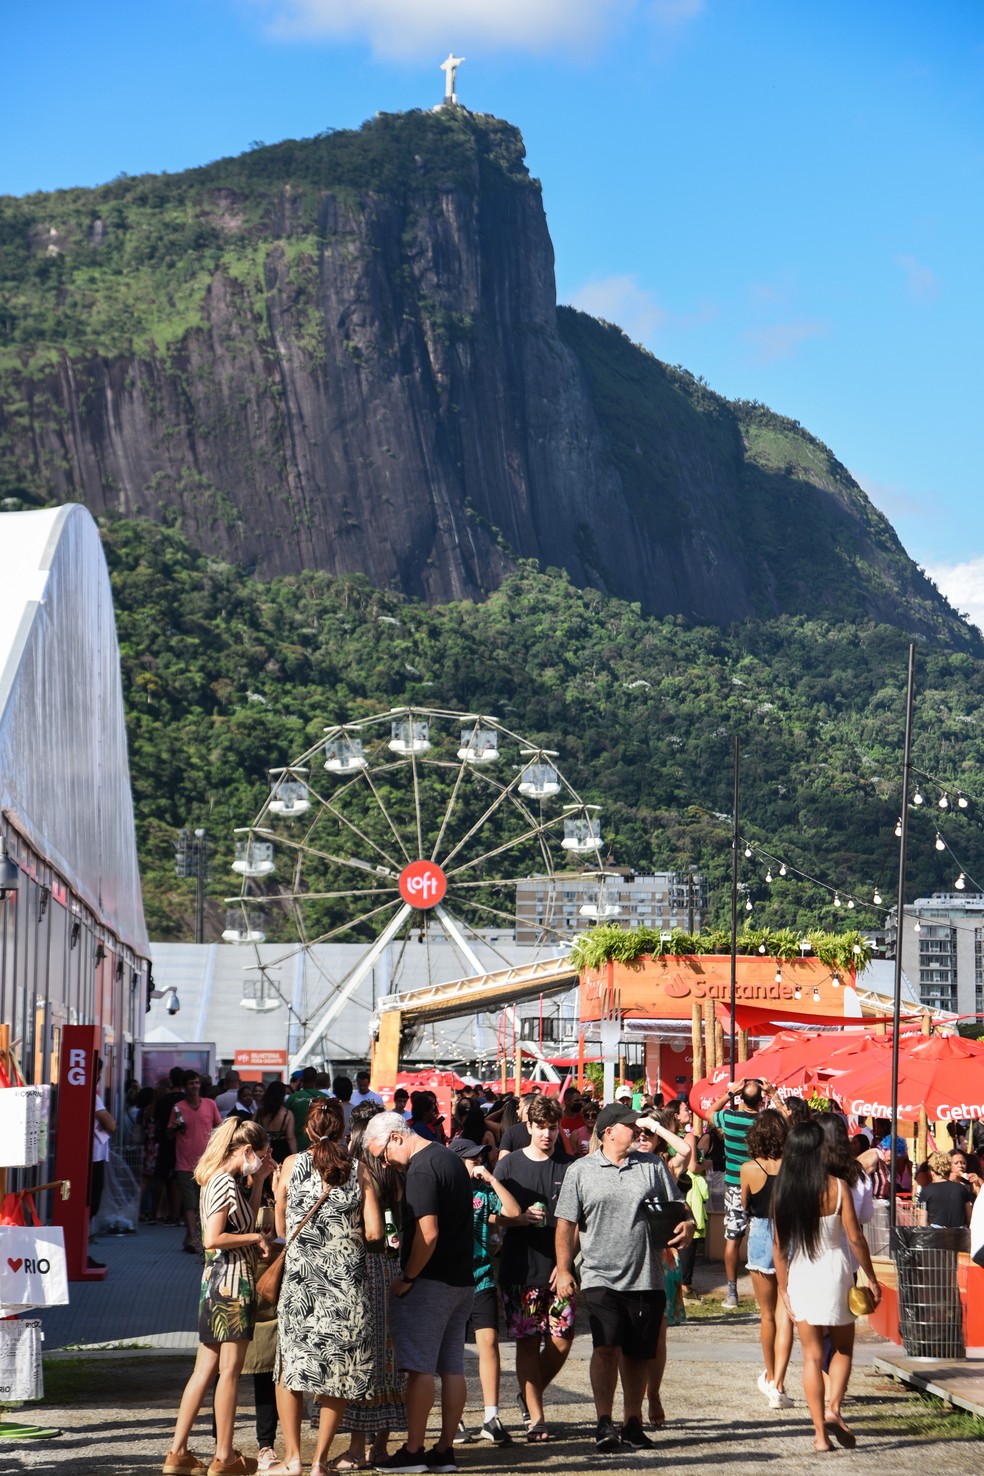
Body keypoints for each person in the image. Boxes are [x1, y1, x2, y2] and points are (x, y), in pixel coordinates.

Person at [555, 1101, 693, 1453]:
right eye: (632, 1126)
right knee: (606, 1348)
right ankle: (603, 1421)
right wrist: (565, 1268)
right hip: (600, 1275)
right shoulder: (581, 1171)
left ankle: (632, 1422)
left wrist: (688, 1225)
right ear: (609, 1132)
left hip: (647, 1275)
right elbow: (566, 1224)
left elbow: (678, 1205)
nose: (639, 1131)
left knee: (637, 1354)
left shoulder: (651, 1166)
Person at [270, 1097, 381, 1476]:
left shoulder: (290, 1165)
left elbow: (281, 1229)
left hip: (301, 1285)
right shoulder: (360, 1171)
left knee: (291, 1370)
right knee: (338, 1372)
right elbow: (375, 1231)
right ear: (342, 1129)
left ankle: (293, 1460)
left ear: (307, 1129)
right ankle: (320, 1462)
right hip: (347, 1288)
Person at [162, 1117, 276, 1476]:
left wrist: (257, 1182)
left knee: (205, 1370)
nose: (260, 1161)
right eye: (258, 1155)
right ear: (244, 1150)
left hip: (214, 1283)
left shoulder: (218, 1179)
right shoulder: (225, 1182)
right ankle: (224, 1457)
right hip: (233, 1284)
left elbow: (241, 1222)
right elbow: (214, 1237)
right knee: (229, 1373)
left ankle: (177, 1452)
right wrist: (254, 1240)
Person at [364, 1110, 475, 1475]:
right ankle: (444, 1450)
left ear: (396, 1137)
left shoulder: (421, 1169)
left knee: (420, 1369)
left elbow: (428, 1233)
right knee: (452, 1368)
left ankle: (413, 1450)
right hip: (461, 1278)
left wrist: (408, 1276)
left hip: (430, 1281)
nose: (384, 1163)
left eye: (381, 1154)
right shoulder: (450, 1159)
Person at [773, 1120, 882, 1454]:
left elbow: (779, 1247)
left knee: (810, 1356)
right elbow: (855, 1237)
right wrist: (871, 1277)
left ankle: (819, 1435)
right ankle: (834, 1406)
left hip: (802, 1272)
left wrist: (783, 1288)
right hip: (836, 1269)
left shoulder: (784, 1190)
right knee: (844, 1348)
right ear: (818, 1149)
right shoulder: (837, 1185)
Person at [492, 1095, 573, 1442]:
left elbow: (577, 1223)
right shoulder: (508, 1168)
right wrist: (518, 1219)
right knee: (527, 1343)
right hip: (520, 1267)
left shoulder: (570, 1167)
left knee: (562, 1341)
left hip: (559, 1269)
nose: (547, 1134)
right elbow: (490, 1216)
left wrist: (567, 1264)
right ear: (528, 1126)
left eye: (553, 1127)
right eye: (541, 1127)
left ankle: (528, 1392)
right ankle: (536, 1417)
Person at [334, 1103, 408, 1470]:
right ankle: (380, 1447)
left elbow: (370, 1231)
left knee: (366, 1361)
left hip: (367, 1269)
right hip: (398, 1268)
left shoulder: (363, 1177)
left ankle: (357, 1448)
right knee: (392, 1363)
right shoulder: (400, 1173)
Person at [449, 1138, 521, 1446]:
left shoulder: (483, 1191)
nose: (479, 1162)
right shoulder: (444, 1190)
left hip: (481, 1278)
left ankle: (491, 1417)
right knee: (451, 1353)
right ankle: (455, 1418)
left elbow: (514, 1211)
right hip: (449, 1281)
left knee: (489, 1343)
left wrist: (492, 1179)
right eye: (472, 1159)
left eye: (481, 1157)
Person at [739, 1109, 793, 1410]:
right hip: (790, 1233)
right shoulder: (793, 1166)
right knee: (787, 1312)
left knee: (767, 1313)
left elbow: (745, 1204)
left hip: (761, 1232)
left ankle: (770, 1375)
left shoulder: (749, 1168)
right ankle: (779, 1384)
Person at [707, 1078, 768, 1309]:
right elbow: (786, 1118)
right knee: (766, 1235)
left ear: (741, 1098)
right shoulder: (765, 1122)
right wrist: (775, 1094)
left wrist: (729, 1093)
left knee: (732, 1239)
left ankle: (732, 1292)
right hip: (762, 1184)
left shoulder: (730, 1118)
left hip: (735, 1185)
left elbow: (709, 1112)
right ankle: (766, 1287)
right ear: (761, 1100)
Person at [168, 1071, 223, 1254]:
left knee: (203, 1202)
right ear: (184, 1086)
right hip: (184, 1162)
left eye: (197, 1083)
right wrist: (174, 1127)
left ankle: (191, 1236)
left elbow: (219, 1128)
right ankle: (194, 1238)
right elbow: (168, 1134)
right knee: (190, 1202)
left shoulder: (210, 1104)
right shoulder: (178, 1107)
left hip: (206, 1162)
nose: (195, 1086)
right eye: (191, 1083)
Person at [918, 1150, 973, 1229]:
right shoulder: (961, 1189)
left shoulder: (926, 1191)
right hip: (959, 1236)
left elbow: (922, 1222)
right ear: (949, 1170)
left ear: (932, 1172)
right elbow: (969, 1217)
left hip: (937, 1236)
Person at [255, 1080, 297, 1166]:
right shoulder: (287, 1114)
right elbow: (290, 1137)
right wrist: (295, 1157)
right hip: (282, 1150)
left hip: (263, 1150)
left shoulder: (258, 1113)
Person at [286, 1067, 325, 1152]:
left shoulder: (293, 1098)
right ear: (315, 1080)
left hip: (297, 1144)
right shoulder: (325, 1098)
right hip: (319, 1145)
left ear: (301, 1080)